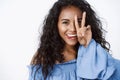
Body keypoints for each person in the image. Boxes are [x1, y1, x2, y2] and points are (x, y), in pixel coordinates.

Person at [28, 0, 120, 80]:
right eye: (65, 22)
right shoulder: (44, 56)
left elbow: (115, 74)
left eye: (79, 22)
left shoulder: (93, 52)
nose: (73, 28)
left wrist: (88, 45)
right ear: (56, 25)